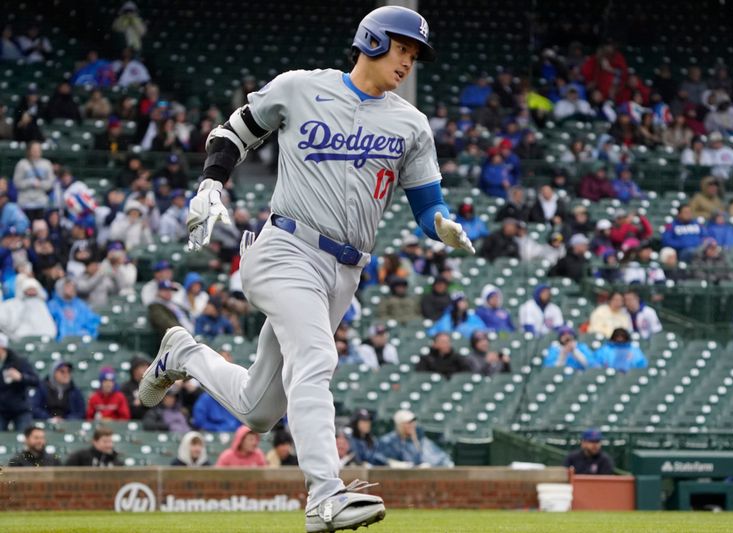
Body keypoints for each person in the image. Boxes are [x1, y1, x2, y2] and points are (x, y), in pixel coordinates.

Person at [138, 7, 473, 531]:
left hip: (344, 274)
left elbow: (427, 204)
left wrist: (444, 225)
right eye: (402, 48)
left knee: (259, 409)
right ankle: (325, 495)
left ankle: (183, 353)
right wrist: (210, 184)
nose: (408, 62)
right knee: (316, 356)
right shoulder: (299, 88)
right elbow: (234, 133)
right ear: (372, 40)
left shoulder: (411, 123)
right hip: (284, 250)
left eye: (414, 54)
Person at [0, 332, 39, 431]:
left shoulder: (19, 361)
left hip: (20, 409)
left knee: (24, 438)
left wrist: (21, 377)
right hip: (1, 409)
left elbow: (35, 381)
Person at [0, 275, 57, 341]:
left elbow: (50, 327)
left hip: (44, 340)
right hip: (21, 341)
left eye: (33, 289)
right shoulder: (14, 304)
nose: (31, 292)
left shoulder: (42, 305)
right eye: (29, 289)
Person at [12, 141, 55, 221]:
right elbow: (16, 183)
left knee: (40, 228)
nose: (36, 151)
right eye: (34, 149)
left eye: (38, 149)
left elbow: (50, 183)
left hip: (41, 202)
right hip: (25, 203)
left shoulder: (46, 163)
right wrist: (30, 182)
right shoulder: (22, 164)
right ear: (29, 150)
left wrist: (40, 184)